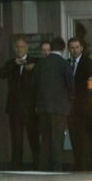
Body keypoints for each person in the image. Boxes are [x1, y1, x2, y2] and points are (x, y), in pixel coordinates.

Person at [0, 37, 38, 168]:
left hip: (31, 108)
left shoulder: (34, 61)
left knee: (33, 138)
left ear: (27, 48)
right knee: (16, 138)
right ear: (14, 49)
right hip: (14, 108)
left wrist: (32, 68)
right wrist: (15, 64)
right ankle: (16, 165)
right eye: (17, 47)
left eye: (22, 47)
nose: (19, 49)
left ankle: (38, 164)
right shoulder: (11, 63)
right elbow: (0, 74)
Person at [32, 37, 72, 172]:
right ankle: (56, 167)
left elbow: (34, 85)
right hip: (60, 108)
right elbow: (70, 85)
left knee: (45, 139)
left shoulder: (41, 64)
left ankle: (43, 167)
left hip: (43, 107)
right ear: (63, 48)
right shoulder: (64, 64)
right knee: (57, 139)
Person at [66, 36, 92, 172]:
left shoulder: (88, 63)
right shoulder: (66, 63)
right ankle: (78, 163)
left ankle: (86, 164)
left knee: (85, 138)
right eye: (72, 48)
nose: (74, 50)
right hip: (70, 107)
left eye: (77, 47)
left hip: (85, 106)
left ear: (82, 48)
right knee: (74, 136)